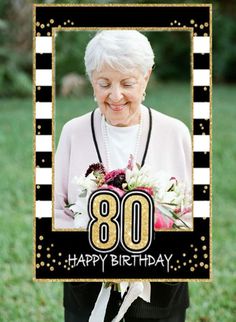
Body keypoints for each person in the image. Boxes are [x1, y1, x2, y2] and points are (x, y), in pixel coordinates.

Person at [55, 30, 192, 322]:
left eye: (127, 83)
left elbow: (192, 214)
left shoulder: (176, 132)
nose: (115, 96)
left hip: (160, 298)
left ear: (146, 77)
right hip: (87, 295)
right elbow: (56, 210)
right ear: (91, 79)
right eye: (104, 83)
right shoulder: (72, 132)